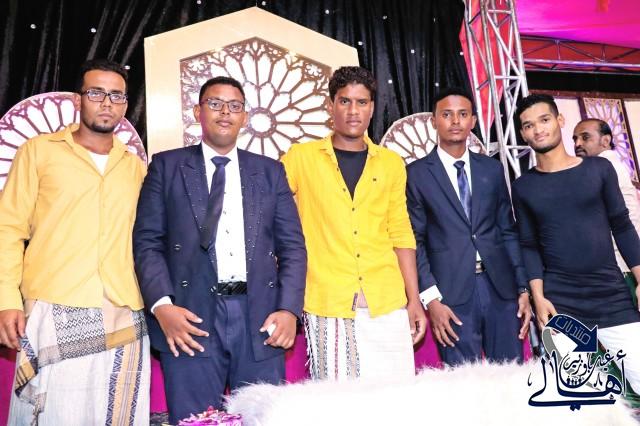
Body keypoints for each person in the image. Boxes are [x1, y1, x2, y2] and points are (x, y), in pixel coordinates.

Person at [133, 76, 306, 423]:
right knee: (195, 419)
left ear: (245, 117)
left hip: (259, 318)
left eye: (234, 106)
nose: (225, 112)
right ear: (198, 112)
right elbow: (147, 241)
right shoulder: (167, 167)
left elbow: (293, 247)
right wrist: (163, 307)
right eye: (215, 104)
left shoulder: (270, 172)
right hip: (189, 318)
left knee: (261, 417)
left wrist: (288, 309)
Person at [0, 59, 149, 425]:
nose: (107, 103)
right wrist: (6, 300)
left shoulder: (135, 166)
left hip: (123, 310)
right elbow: (8, 228)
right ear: (78, 99)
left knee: (117, 415)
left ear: (125, 105)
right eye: (96, 93)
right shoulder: (39, 151)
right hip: (54, 305)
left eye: (117, 96)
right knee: (55, 415)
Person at [281, 66, 426, 381]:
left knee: (396, 396)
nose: (353, 111)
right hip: (327, 300)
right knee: (339, 401)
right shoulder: (301, 158)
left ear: (372, 108)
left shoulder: (391, 163)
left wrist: (414, 299)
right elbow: (271, 214)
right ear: (330, 105)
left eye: (361, 102)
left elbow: (401, 233)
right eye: (344, 101)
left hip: (387, 299)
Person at [512, 93, 640, 393]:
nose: (538, 129)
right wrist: (538, 297)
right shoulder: (523, 187)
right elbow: (528, 245)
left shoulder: (599, 170)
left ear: (559, 120)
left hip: (612, 297)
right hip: (561, 304)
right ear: (523, 134)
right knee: (579, 398)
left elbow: (622, 226)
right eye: (529, 125)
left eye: (544, 120)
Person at [405, 87, 531, 366]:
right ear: (434, 121)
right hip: (450, 294)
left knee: (511, 376)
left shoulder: (492, 169)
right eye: (447, 115)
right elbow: (415, 241)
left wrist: (522, 287)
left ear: (473, 121)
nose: (455, 121)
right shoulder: (416, 174)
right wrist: (431, 300)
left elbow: (507, 231)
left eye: (463, 114)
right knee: (464, 381)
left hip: (501, 289)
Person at [573, 118, 640, 305]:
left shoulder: (603, 167)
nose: (577, 144)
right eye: (575, 139)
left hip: (619, 267)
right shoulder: (609, 166)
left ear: (605, 140)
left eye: (585, 137)